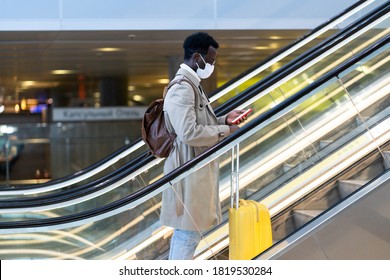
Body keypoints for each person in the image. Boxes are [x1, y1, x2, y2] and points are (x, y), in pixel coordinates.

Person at [160, 32, 247, 260]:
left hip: (193, 168)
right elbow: (188, 132)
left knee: (188, 232)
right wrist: (225, 131)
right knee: (188, 233)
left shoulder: (192, 85)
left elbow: (198, 123)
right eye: (209, 61)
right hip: (187, 170)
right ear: (196, 57)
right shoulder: (182, 88)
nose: (211, 65)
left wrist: (224, 120)